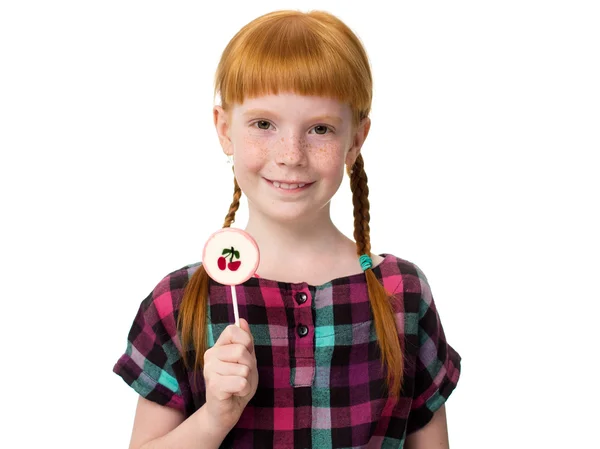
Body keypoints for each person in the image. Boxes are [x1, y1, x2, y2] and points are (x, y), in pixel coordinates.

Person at [113, 9, 461, 449]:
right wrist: (215, 417)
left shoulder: (402, 295)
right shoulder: (179, 302)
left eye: (320, 129)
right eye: (264, 124)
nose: (291, 154)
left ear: (355, 140)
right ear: (224, 129)